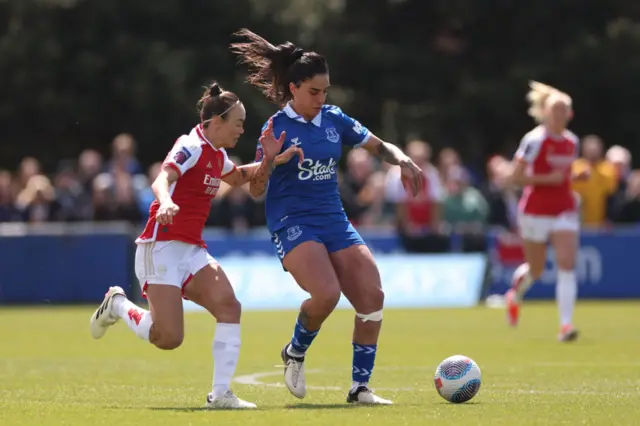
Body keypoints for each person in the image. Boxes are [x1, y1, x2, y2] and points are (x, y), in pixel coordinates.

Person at [230, 29, 424, 404]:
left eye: (325, 91)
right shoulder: (276, 128)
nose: (321, 99)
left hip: (333, 219)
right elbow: (255, 190)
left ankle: (360, 388)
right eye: (314, 92)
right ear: (294, 88)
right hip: (292, 222)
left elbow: (378, 145)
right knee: (326, 294)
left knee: (372, 295)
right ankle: (295, 352)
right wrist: (270, 159)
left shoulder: (334, 118)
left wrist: (402, 159)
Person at [89, 81, 302, 409]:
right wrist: (164, 203)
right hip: (160, 247)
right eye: (239, 123)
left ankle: (220, 395)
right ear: (217, 122)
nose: (242, 130)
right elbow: (162, 178)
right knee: (169, 338)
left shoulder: (217, 155)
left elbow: (237, 178)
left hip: (190, 249)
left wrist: (274, 161)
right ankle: (117, 304)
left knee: (230, 307)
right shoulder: (190, 145)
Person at [505, 81, 589, 342]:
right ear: (545, 113)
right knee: (537, 270)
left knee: (567, 264)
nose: (560, 115)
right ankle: (515, 294)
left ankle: (565, 325)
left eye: (564, 110)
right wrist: (546, 180)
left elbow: (563, 176)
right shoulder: (534, 140)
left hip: (564, 208)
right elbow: (514, 178)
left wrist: (576, 177)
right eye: (555, 110)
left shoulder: (572, 142)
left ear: (570, 114)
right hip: (535, 211)